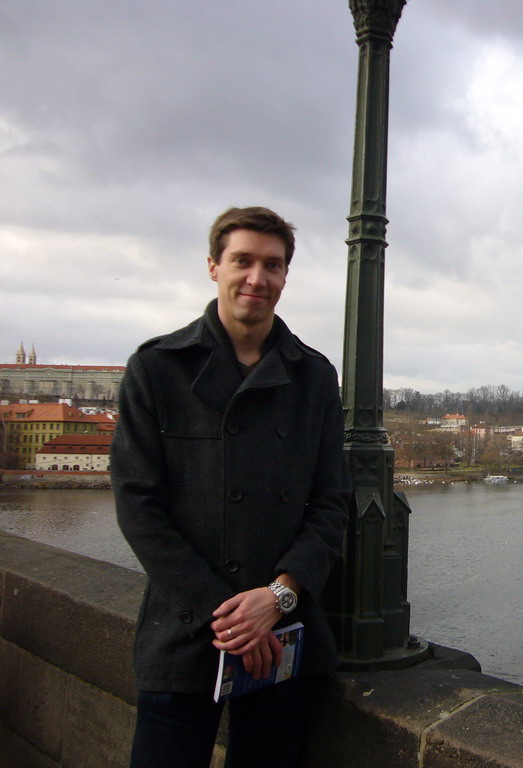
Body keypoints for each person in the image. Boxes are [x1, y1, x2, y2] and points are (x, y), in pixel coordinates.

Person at [111, 206, 350, 768]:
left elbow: (332, 501)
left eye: (272, 265)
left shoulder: (314, 376)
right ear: (214, 266)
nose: (256, 278)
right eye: (242, 261)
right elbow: (138, 506)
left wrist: (278, 597)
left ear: (285, 278)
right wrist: (230, 612)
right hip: (186, 631)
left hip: (282, 638)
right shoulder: (157, 367)